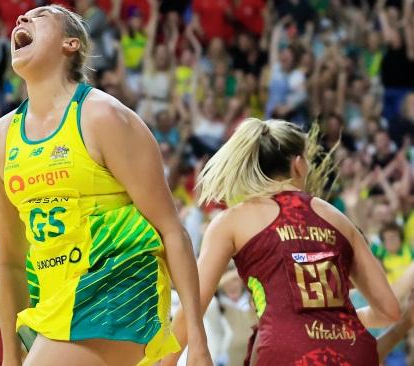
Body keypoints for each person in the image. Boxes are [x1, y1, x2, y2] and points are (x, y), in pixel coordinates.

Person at [0, 5, 210, 366]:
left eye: (39, 16)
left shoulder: (103, 116)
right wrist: (10, 357)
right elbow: (10, 261)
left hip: (120, 286)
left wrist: (197, 341)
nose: (21, 20)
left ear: (70, 43)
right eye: (21, 16)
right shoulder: (0, 137)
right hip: (56, 299)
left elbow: (171, 228)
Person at [164, 118, 401, 365]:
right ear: (298, 164)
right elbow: (389, 311)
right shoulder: (337, 217)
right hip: (352, 351)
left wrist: (166, 363)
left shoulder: (232, 221)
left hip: (283, 350)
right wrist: (334, 322)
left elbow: (194, 304)